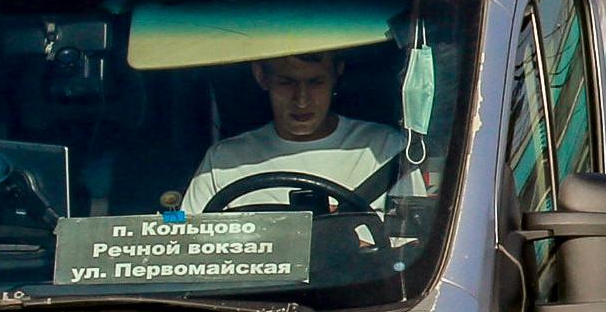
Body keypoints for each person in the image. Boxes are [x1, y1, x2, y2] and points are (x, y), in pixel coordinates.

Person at [177, 50, 428, 212]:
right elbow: (184, 231)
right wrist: (166, 220)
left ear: (337, 73)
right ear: (261, 76)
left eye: (315, 82)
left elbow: (408, 249)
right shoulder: (223, 160)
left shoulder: (383, 150)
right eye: (286, 83)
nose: (301, 101)